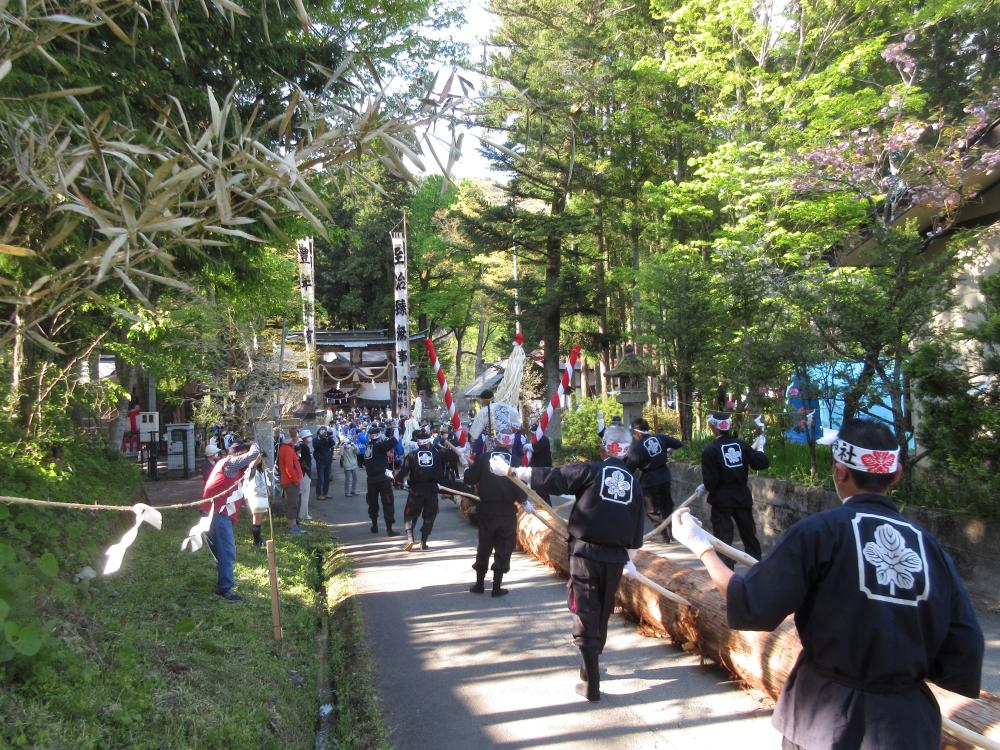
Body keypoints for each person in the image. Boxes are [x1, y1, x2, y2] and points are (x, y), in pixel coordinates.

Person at [673, 419, 984, 749]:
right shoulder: (931, 548)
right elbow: (964, 649)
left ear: (839, 472)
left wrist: (700, 546)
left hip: (824, 716)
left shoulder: (819, 533)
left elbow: (750, 604)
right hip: (908, 725)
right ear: (895, 475)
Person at [497, 423, 644, 702]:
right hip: (614, 558)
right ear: (626, 452)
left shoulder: (593, 470)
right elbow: (637, 533)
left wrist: (514, 471)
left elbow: (556, 477)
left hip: (586, 553)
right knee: (601, 611)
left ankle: (592, 682)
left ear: (605, 448)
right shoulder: (633, 484)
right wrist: (631, 561)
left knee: (585, 609)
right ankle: (589, 668)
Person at [700, 411, 768, 565]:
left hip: (721, 500)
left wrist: (705, 485)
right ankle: (758, 567)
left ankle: (727, 575)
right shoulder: (741, 444)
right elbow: (760, 463)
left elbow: (711, 483)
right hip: (742, 497)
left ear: (714, 428)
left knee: (723, 539)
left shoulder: (710, 450)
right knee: (749, 535)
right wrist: (761, 448)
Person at [464, 426, 525, 598]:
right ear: (510, 443)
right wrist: (524, 501)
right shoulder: (516, 461)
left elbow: (470, 478)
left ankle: (480, 584)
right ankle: (497, 587)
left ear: (497, 440)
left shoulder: (484, 458)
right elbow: (520, 488)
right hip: (507, 511)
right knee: (504, 547)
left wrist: (467, 467)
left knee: (484, 545)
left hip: (487, 510)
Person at [200, 441, 261, 601]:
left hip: (211, 512)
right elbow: (253, 454)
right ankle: (224, 589)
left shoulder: (226, 464)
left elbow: (250, 471)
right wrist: (255, 444)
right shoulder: (230, 463)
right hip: (218, 514)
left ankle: (223, 579)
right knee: (226, 551)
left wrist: (254, 464)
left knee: (220, 552)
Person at [626, 417, 683, 542]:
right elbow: (679, 444)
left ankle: (663, 535)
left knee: (653, 510)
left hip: (649, 480)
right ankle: (673, 533)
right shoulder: (660, 438)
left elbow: (629, 468)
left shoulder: (638, 448)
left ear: (638, 433)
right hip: (664, 476)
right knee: (667, 506)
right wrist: (668, 450)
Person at [394, 429, 444, 551]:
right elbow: (440, 475)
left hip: (416, 490)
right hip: (431, 490)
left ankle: (410, 538)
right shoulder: (435, 455)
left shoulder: (411, 455)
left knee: (409, 514)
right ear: (428, 443)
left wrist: (397, 479)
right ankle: (424, 542)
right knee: (430, 516)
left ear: (418, 443)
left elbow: (403, 472)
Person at [363, 425, 399, 535]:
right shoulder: (379, 446)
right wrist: (396, 428)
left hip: (371, 480)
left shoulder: (368, 447)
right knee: (388, 503)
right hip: (383, 479)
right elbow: (395, 440)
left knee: (373, 503)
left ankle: (374, 525)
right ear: (379, 436)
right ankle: (389, 529)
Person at [277, 431, 305, 535]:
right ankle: (292, 526)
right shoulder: (287, 449)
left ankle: (294, 525)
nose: (297, 439)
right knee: (293, 504)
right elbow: (289, 468)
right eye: (296, 437)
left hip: (290, 480)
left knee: (293, 503)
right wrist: (295, 480)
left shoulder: (287, 448)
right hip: (290, 481)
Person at [297, 429, 314, 521]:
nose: (310, 437)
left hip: (304, 473)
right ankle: (303, 514)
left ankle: (303, 513)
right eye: (308, 436)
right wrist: (307, 469)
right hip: (305, 473)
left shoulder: (302, 447)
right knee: (305, 494)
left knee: (304, 494)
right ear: (304, 438)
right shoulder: (304, 447)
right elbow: (303, 461)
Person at [314, 426, 335, 500]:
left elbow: (333, 444)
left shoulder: (327, 439)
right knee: (321, 479)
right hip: (320, 462)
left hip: (327, 461)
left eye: (325, 431)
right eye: (322, 431)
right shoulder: (316, 439)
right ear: (319, 432)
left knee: (327, 478)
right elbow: (317, 446)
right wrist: (322, 439)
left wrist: (329, 437)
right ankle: (318, 494)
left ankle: (325, 493)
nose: (324, 433)